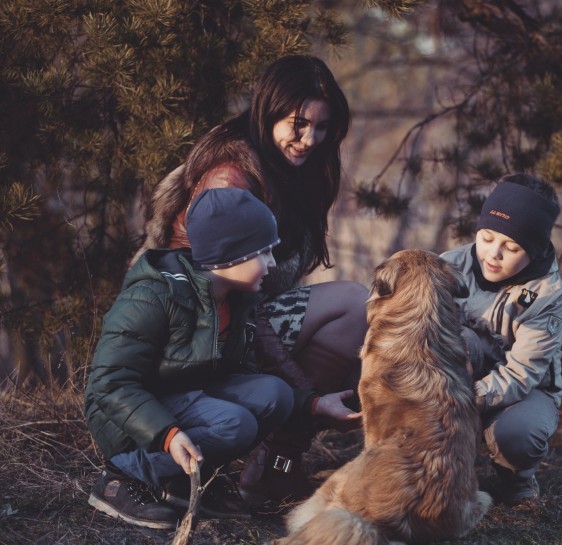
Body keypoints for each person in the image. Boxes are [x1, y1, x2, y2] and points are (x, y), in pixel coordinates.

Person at [134, 55, 369, 504]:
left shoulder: (296, 170)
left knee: (356, 309)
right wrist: (305, 393)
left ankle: (278, 467)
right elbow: (222, 302)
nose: (309, 140)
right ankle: (266, 462)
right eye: (297, 124)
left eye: (321, 128)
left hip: (245, 317)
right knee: (352, 304)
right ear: (267, 111)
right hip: (198, 334)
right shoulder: (231, 177)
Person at [85, 188, 360, 530]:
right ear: (228, 257)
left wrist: (314, 405)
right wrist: (167, 434)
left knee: (275, 394)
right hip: (128, 422)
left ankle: (184, 482)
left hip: (184, 400)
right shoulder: (153, 295)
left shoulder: (235, 300)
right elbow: (110, 383)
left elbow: (246, 374)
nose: (272, 263)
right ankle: (120, 478)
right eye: (263, 253)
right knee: (235, 423)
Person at [440, 173, 562, 506]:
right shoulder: (448, 266)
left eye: (511, 247)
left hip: (523, 391)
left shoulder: (546, 296)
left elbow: (522, 374)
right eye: (486, 237)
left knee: (518, 435)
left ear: (534, 249)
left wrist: (461, 400)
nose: (493, 253)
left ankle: (517, 477)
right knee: (462, 340)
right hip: (455, 376)